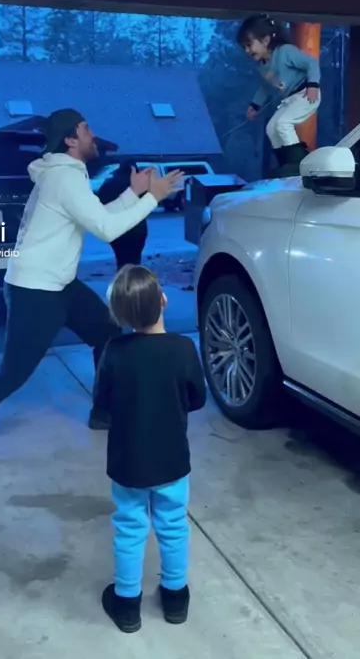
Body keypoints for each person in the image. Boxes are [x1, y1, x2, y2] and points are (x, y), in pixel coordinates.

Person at [0, 109, 183, 486]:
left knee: (107, 332)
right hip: (35, 289)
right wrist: (152, 198)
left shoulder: (67, 174)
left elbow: (96, 215)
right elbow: (108, 229)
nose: (93, 134)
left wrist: (134, 193)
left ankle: (104, 412)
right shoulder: (63, 177)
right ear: (71, 140)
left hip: (60, 283)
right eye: (86, 129)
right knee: (10, 376)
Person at [94, 265, 206, 634]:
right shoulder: (183, 348)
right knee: (173, 525)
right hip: (172, 459)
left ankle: (127, 604)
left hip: (127, 462)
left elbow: (102, 403)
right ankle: (175, 597)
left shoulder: (114, 351)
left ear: (120, 316)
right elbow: (197, 398)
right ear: (164, 301)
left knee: (130, 527)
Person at [238, 14, 321, 170]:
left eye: (249, 45)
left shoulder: (285, 52)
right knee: (271, 128)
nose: (247, 50)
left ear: (265, 40)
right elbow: (265, 88)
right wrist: (255, 105)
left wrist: (313, 85)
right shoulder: (263, 66)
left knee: (283, 123)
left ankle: (298, 163)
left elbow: (311, 63)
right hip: (290, 99)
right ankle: (285, 163)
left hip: (305, 93)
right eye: (244, 47)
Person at [97, 161, 148, 270]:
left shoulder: (109, 184)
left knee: (121, 259)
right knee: (134, 259)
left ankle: (122, 276)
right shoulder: (139, 184)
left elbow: (100, 201)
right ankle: (132, 277)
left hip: (117, 228)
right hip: (137, 228)